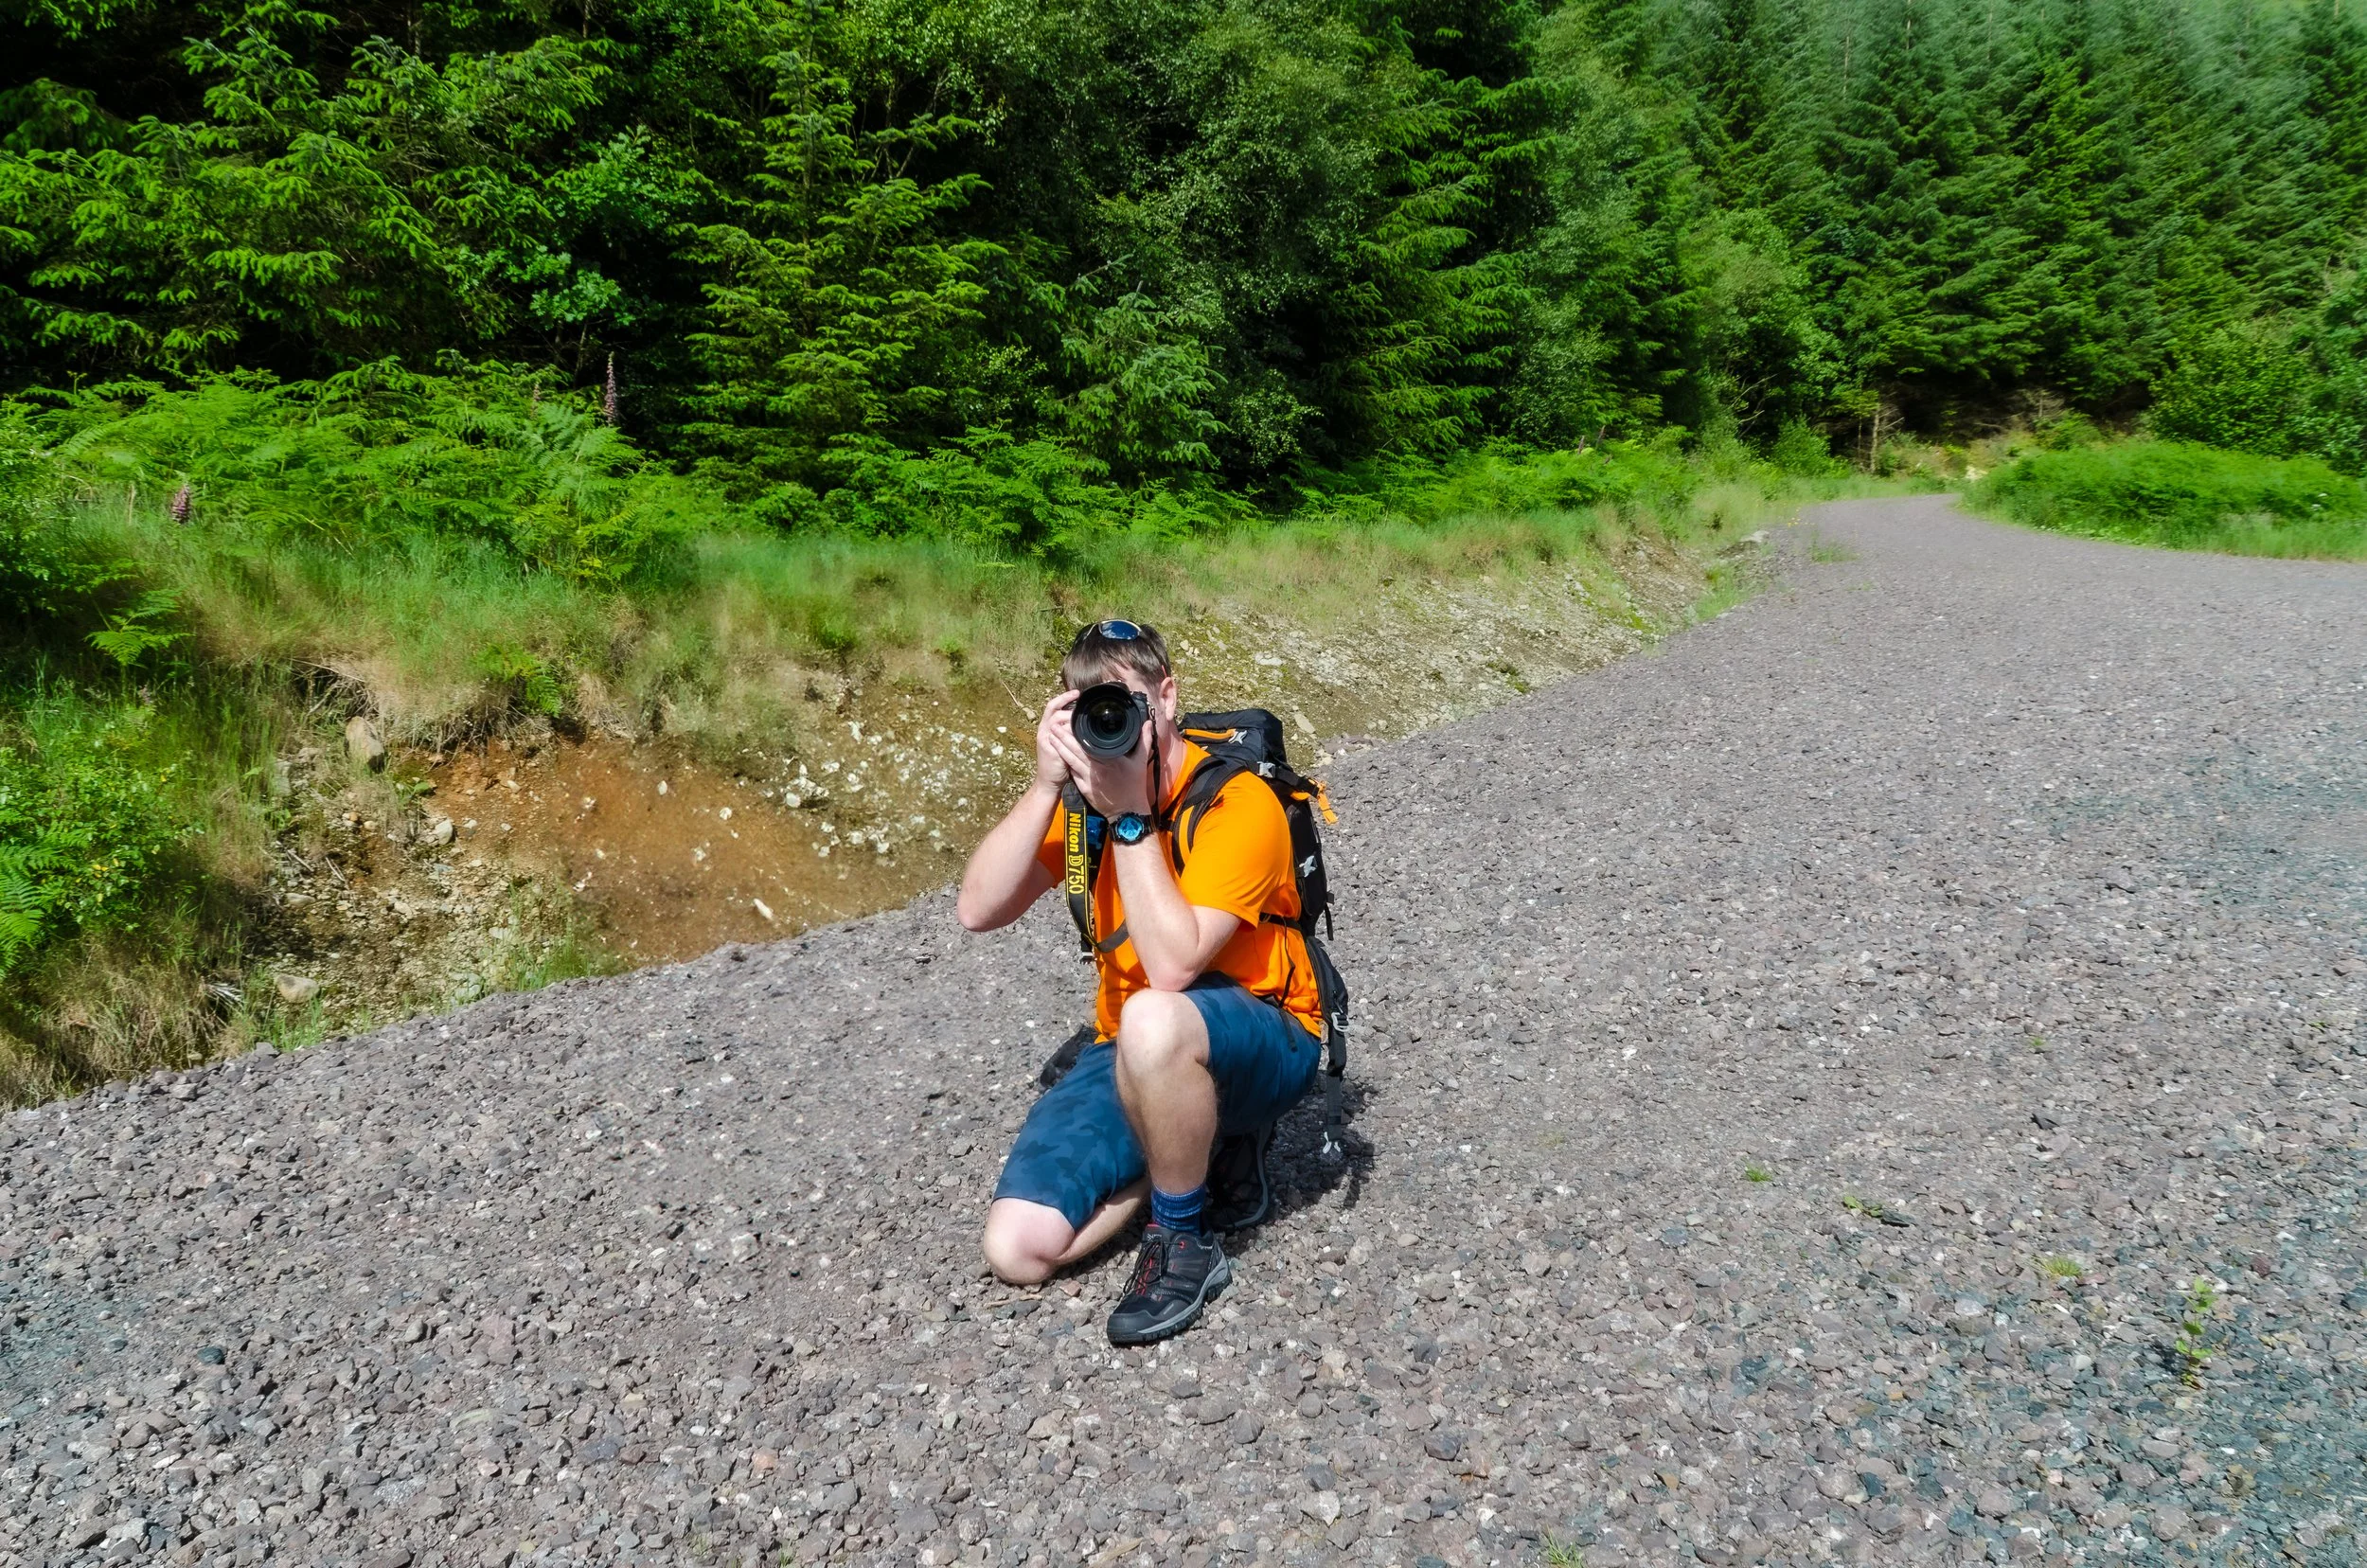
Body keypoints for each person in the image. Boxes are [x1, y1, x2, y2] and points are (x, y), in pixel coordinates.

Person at [956, 619, 1325, 1345]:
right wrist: (1045, 785)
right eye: (1088, 710)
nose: (1110, 726)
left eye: (1122, 704)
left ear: (1166, 696)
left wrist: (1130, 817)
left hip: (1266, 1034)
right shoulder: (1084, 803)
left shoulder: (1236, 801)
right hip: (1135, 1045)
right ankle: (1204, 1144)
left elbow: (1174, 967)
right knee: (1019, 1249)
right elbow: (977, 910)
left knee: (1156, 1016)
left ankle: (1183, 1240)